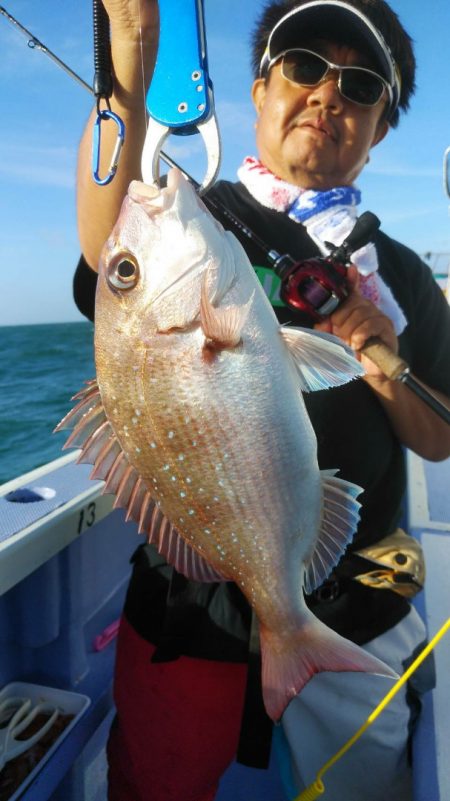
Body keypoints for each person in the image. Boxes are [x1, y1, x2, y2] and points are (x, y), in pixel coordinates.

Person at [73, 1, 450, 800]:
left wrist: (381, 361)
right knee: (157, 781)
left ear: (381, 127)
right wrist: (127, 70)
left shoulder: (407, 277)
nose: (327, 96)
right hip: (191, 602)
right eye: (305, 67)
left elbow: (440, 437)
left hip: (355, 599)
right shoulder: (198, 219)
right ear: (259, 89)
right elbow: (109, 241)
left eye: (360, 84)